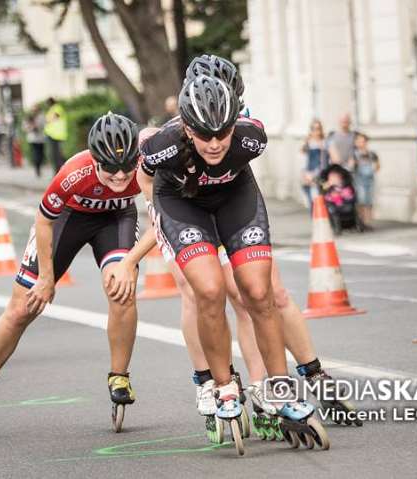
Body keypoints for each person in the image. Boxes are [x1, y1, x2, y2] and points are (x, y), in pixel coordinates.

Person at [167, 55, 358, 425]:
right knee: (206, 293)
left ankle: (309, 373)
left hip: (232, 206)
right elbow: (153, 192)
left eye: (233, 102)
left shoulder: (241, 119)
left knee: (268, 293)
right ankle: (219, 380)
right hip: (191, 214)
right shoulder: (176, 134)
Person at [0, 113, 157, 442]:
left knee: (121, 289)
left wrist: (129, 263)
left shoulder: (149, 162)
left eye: (126, 168)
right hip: (68, 219)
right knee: (22, 308)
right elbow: (44, 221)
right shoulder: (75, 172)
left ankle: (119, 376)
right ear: (95, 159)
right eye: (109, 169)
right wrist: (46, 279)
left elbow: (160, 219)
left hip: (115, 219)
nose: (119, 176)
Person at [138, 74, 317, 430]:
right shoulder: (163, 144)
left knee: (259, 292)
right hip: (182, 205)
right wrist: (152, 211)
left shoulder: (253, 138)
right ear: (187, 128)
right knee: (208, 291)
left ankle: (279, 389)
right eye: (205, 134)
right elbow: (144, 179)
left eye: (223, 132)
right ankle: (224, 389)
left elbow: (236, 148)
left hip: (235, 200)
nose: (216, 143)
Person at [350, 132, 379, 229]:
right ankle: (361, 221)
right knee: (361, 201)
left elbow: (377, 166)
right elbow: (351, 166)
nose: (361, 143)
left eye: (363, 141)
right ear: (356, 143)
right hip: (359, 180)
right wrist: (353, 164)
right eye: (359, 141)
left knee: (369, 201)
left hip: (370, 180)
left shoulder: (372, 154)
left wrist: (375, 167)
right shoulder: (354, 154)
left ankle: (368, 222)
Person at [301, 119, 328, 213]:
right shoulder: (307, 144)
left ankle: (321, 224)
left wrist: (315, 175)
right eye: (314, 129)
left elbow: (324, 162)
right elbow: (303, 160)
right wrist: (304, 175)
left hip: (319, 175)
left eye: (318, 129)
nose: (316, 131)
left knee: (320, 201)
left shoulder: (324, 143)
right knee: (311, 202)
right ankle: (315, 224)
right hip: (308, 175)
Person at [43, 97, 68, 173]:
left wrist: (47, 119)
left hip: (56, 136)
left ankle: (60, 172)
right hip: (53, 135)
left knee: (57, 156)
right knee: (56, 156)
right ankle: (58, 172)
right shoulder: (53, 109)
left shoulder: (57, 108)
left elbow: (54, 117)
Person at [24, 106, 46, 177]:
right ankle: (37, 169)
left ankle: (38, 167)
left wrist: (36, 126)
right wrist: (30, 127)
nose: (34, 111)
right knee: (36, 154)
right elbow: (25, 127)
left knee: (41, 155)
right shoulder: (29, 117)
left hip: (40, 139)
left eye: (35, 110)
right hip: (33, 139)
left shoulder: (41, 116)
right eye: (33, 110)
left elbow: (43, 124)